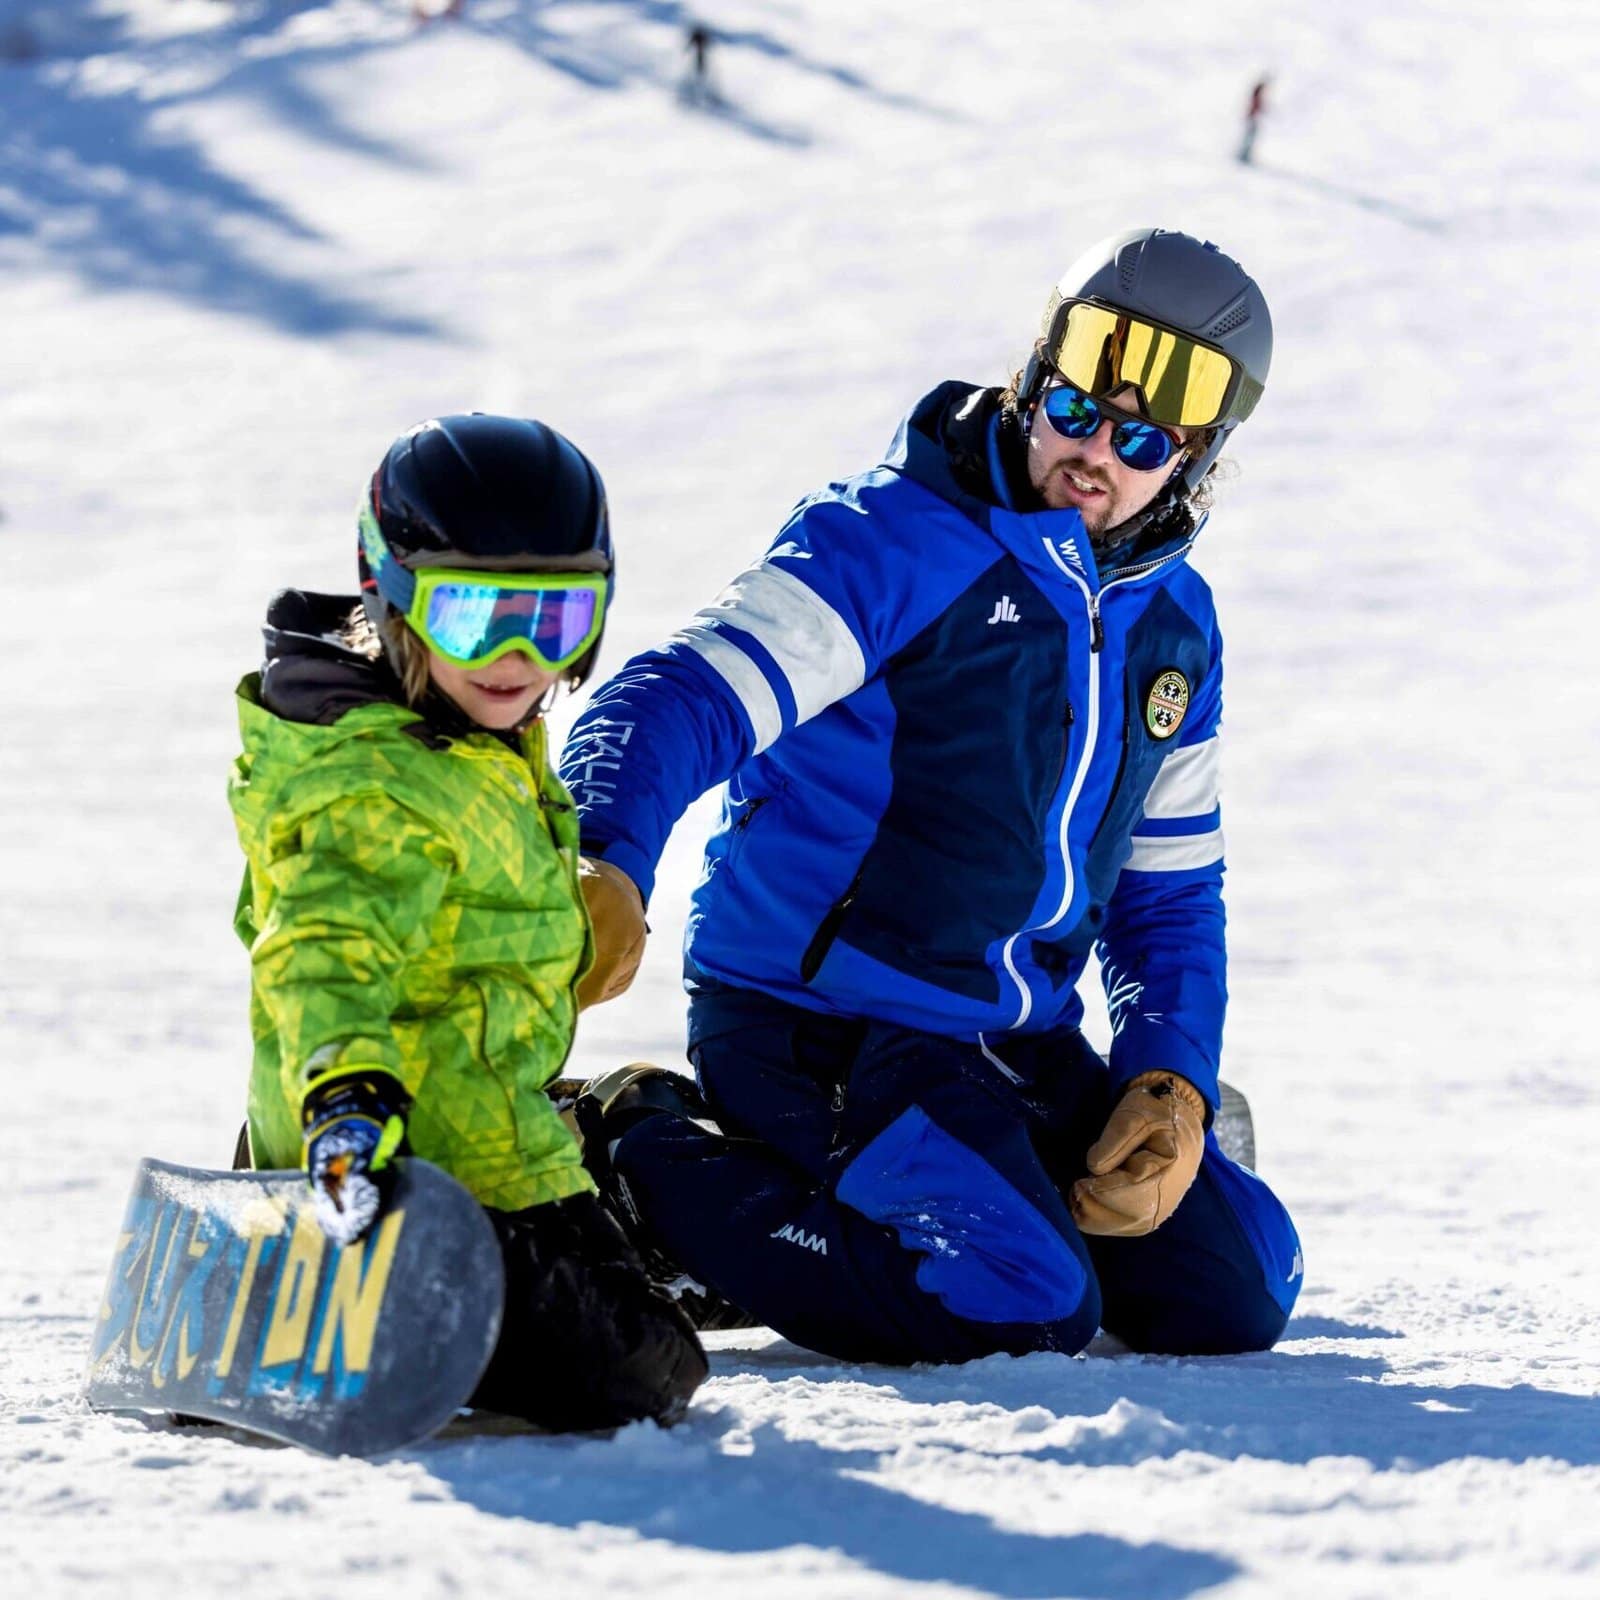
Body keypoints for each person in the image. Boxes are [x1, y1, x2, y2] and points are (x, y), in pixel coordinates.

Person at [559, 229, 1305, 1366]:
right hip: (823, 1026)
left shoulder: (1173, 629)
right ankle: (623, 1150)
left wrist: (1170, 1078)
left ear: (1194, 465)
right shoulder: (893, 542)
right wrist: (607, 853)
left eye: (1145, 438)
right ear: (1032, 377)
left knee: (1239, 1285)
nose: (1097, 450)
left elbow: (1169, 895)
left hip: (1008, 1040)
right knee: (1017, 1302)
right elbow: (678, 698)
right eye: (1075, 408)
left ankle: (933, 1211)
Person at [228, 414, 706, 1428]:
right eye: (476, 616)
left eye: (556, 617)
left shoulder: (476, 742)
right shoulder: (368, 778)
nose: (519, 655)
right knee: (650, 1375)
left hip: (487, 1125)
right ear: (391, 595)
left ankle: (597, 1154)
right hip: (409, 1158)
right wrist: (343, 1095)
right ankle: (377, 1257)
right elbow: (324, 950)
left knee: (661, 1342)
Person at [1239, 76, 1270, 165]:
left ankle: (1245, 154)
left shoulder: (1257, 95)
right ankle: (1243, 155)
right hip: (1252, 118)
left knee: (1250, 137)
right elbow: (1255, 106)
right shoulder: (1257, 95)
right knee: (1249, 137)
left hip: (1253, 118)